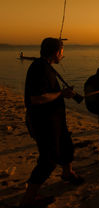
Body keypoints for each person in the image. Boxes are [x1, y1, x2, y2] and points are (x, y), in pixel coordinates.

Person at [21, 38, 83, 207]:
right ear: (57, 52)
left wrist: (62, 93)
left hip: (55, 119)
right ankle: (28, 199)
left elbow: (48, 93)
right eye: (62, 52)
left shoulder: (46, 67)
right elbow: (36, 98)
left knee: (66, 146)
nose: (62, 56)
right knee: (48, 160)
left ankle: (67, 173)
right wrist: (60, 94)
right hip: (43, 122)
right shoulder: (39, 68)